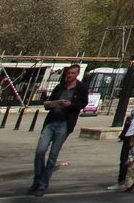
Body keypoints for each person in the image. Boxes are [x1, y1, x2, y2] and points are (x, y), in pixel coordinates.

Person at [29, 63, 88, 196]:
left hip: (64, 123)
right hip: (51, 121)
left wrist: (71, 104)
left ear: (77, 74)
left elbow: (83, 103)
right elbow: (50, 101)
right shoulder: (60, 86)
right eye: (68, 73)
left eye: (72, 73)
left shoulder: (81, 88)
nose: (69, 75)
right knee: (40, 151)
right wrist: (48, 104)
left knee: (53, 155)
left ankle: (43, 185)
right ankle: (37, 179)